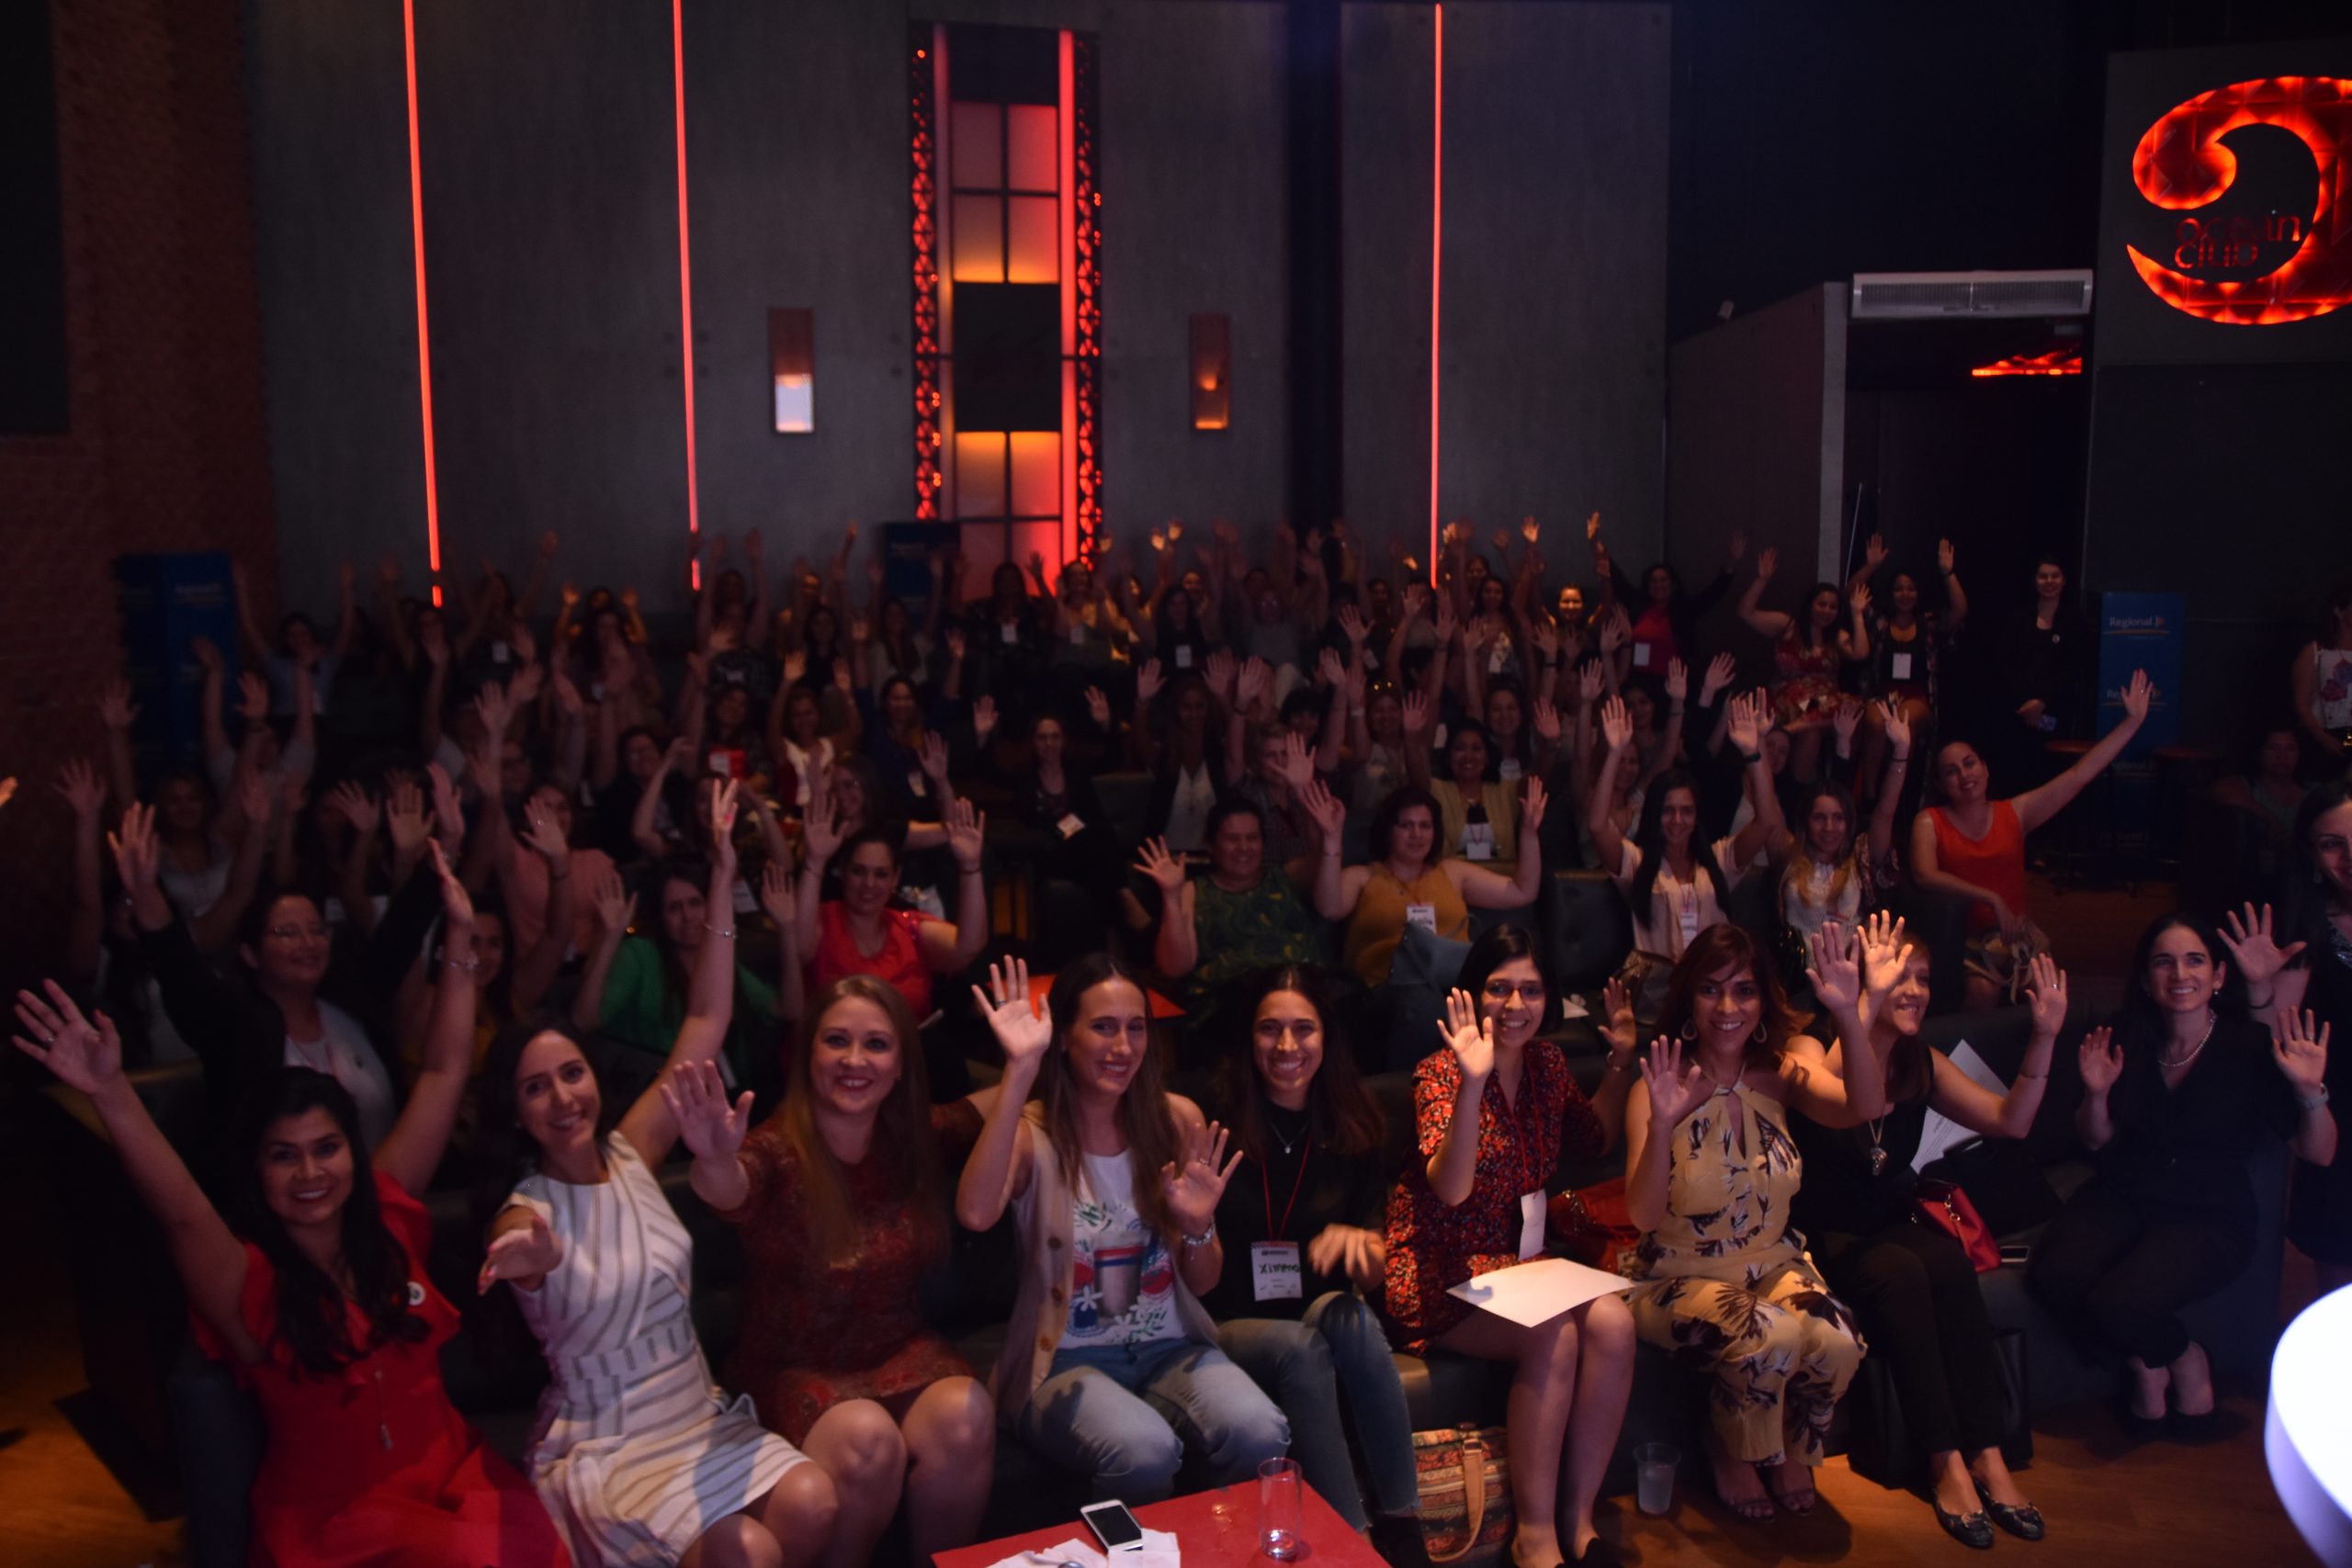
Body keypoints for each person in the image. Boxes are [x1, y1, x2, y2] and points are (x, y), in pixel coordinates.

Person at [12, 852, 571, 1568]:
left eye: (327, 1148)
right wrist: (111, 1093)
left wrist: (460, 939)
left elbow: (442, 1070)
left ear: (352, 1153)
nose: (310, 1171)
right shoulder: (247, 1276)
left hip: (457, 1479)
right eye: (284, 1154)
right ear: (257, 1170)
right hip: (342, 1524)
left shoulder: (389, 1216)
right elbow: (181, 1208)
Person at [477, 782, 840, 1568]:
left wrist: (719, 876)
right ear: (515, 1112)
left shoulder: (631, 1150)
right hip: (612, 1438)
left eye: (570, 1074)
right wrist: (523, 1254)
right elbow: (521, 1240)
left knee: (815, 1505)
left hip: (693, 1411)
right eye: (536, 1088)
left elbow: (705, 1021)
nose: (562, 1097)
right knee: (753, 1554)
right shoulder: (528, 1205)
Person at [675, 977, 995, 1566]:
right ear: (808, 1056)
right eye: (837, 1041)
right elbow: (729, 1189)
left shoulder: (910, 1134)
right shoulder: (776, 1148)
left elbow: (988, 1107)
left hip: (899, 1351)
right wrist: (713, 1156)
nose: (854, 1060)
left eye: (876, 1044)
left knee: (968, 1414)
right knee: (868, 1440)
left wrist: (1030, 1064)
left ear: (900, 1064)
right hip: (794, 1366)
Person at [958, 953, 1291, 1502]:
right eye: (1103, 1027)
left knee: (1261, 1429)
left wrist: (1197, 1226)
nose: (1123, 1047)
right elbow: (974, 1213)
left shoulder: (1175, 1119)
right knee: (1143, 1450)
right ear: (1063, 1037)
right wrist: (1019, 1069)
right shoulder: (1031, 1135)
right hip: (1062, 1361)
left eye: (1136, 1028)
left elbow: (1204, 1283)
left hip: (1170, 1348)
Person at [1790, 916, 2061, 1546]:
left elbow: (2008, 1120)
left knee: (1945, 1260)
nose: (1913, 990)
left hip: (1886, 1222)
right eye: (1896, 975)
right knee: (1902, 1272)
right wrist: (1857, 1006)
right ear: (1859, 978)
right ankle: (1943, 1462)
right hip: (1821, 1235)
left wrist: (2044, 1035)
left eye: (1922, 978)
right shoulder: (1810, 1047)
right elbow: (1837, 1092)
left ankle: (1987, 1454)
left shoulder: (1921, 1061)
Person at [1384, 927, 1639, 1567]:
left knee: (1613, 1321)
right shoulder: (1439, 1072)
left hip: (1521, 1265)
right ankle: (1534, 1536)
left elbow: (1594, 1137)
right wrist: (1473, 1082)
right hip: (1442, 1268)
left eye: (1530, 988)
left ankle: (1578, 1520)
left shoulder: (1549, 1066)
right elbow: (1450, 1188)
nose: (1515, 1004)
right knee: (1555, 1331)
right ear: (1474, 993)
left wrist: (1619, 1061)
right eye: (1500, 988)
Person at [2029, 913, 2335, 1439]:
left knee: (2119, 1301)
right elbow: (2095, 1140)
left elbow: (2320, 1152)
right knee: (2054, 1273)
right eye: (2163, 962)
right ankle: (2146, 1364)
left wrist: (2311, 1090)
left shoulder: (2246, 1047)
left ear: (2218, 977)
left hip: (2209, 1216)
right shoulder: (2126, 1033)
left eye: (2194, 960)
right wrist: (2097, 1093)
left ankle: (2188, 1360)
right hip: (2124, 1195)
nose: (2179, 974)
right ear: (2147, 980)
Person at [1619, 922, 1883, 1520]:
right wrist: (1663, 1124)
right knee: (1771, 1332)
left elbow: (1864, 1106)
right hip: (1674, 1276)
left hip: (1772, 1262)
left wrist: (1845, 1011)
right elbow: (1642, 1214)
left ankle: (1790, 1446)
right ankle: (1733, 1446)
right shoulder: (1660, 1083)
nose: (1728, 1006)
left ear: (1764, 999)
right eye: (1711, 989)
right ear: (1688, 998)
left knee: (1840, 1337)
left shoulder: (1780, 1073)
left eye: (1744, 989)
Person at [1201, 966, 1421, 1555]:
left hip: (1315, 1312)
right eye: (1270, 1029)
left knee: (1348, 1317)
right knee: (1302, 1347)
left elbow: (1376, 1266)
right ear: (1250, 1040)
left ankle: (1405, 1525)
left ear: (1327, 1038)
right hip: (1229, 1320)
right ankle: (1357, 1543)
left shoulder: (1352, 1124)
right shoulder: (1215, 1117)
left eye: (1304, 1029)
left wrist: (1362, 1247)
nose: (1287, 1047)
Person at [119, 797, 443, 1150]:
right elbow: (182, 972)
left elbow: (400, 936)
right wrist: (145, 891)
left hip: (380, 1193)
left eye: (316, 930)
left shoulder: (351, 1002)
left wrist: (444, 846)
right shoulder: (237, 1026)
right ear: (250, 954)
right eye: (287, 933)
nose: (308, 943)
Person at [1913, 670, 2154, 1010]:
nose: (1964, 775)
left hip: (2014, 938)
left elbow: (2079, 774)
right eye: (1952, 771)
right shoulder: (1930, 821)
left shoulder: (2016, 812)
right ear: (1940, 783)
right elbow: (1925, 875)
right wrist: (1991, 898)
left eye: (1970, 764)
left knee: (2051, 992)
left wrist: (2132, 722)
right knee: (1984, 992)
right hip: (1960, 942)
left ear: (1985, 768)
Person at [1591, 692, 1784, 972]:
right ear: (1654, 815)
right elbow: (1597, 825)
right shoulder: (1637, 862)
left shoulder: (1717, 860)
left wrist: (1754, 753)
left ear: (1696, 817)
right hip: (1661, 991)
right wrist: (1614, 754)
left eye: (1686, 811)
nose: (1677, 820)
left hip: (1714, 983)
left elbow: (1766, 821)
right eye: (1668, 811)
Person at [1314, 778, 1549, 988]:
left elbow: (1523, 891)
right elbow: (1329, 908)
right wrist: (1332, 838)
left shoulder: (1452, 872)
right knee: (1421, 1005)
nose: (1417, 834)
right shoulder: (1362, 876)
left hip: (1453, 987)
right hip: (1384, 991)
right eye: (1406, 826)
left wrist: (1529, 831)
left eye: (1425, 826)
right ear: (1388, 831)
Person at [794, 791, 989, 1027]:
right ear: (843, 872)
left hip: (904, 1058)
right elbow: (800, 949)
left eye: (881, 874)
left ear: (895, 879)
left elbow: (968, 947)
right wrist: (814, 861)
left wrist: (970, 867)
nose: (869, 883)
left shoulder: (908, 927)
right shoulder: (822, 920)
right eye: (858, 871)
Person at [1138, 801, 1318, 1023]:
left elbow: (1323, 854)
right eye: (1232, 839)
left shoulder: (1288, 875)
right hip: (1225, 1010)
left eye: (1252, 838)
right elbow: (1174, 968)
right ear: (1211, 845)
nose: (1244, 847)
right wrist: (1171, 895)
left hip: (1300, 996)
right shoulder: (1192, 891)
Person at [1737, 547, 1870, 778]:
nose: (1826, 611)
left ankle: (1792, 734)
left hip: (1826, 703)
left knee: (1853, 715)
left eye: (1833, 607)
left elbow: (1860, 653)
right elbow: (1746, 613)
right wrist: (1761, 580)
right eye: (1822, 604)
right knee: (1816, 729)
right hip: (1791, 700)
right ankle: (1797, 788)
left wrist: (1857, 614)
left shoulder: (1836, 636)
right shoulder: (1789, 626)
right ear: (1810, 604)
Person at [2290, 585, 2352, 766]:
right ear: (2339, 612)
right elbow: (2301, 702)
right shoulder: (2316, 652)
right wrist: (2322, 738)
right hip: (2327, 733)